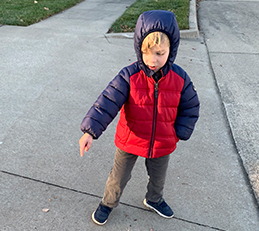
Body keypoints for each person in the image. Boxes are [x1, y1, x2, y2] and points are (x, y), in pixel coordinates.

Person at [79, 10, 200, 225]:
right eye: (147, 52)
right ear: (138, 49)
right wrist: (90, 131)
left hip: (163, 141)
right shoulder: (129, 76)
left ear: (171, 50)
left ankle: (154, 199)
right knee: (118, 177)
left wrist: (179, 131)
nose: (153, 60)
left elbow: (191, 106)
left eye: (160, 53)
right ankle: (108, 203)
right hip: (130, 139)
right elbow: (107, 102)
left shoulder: (180, 78)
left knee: (158, 177)